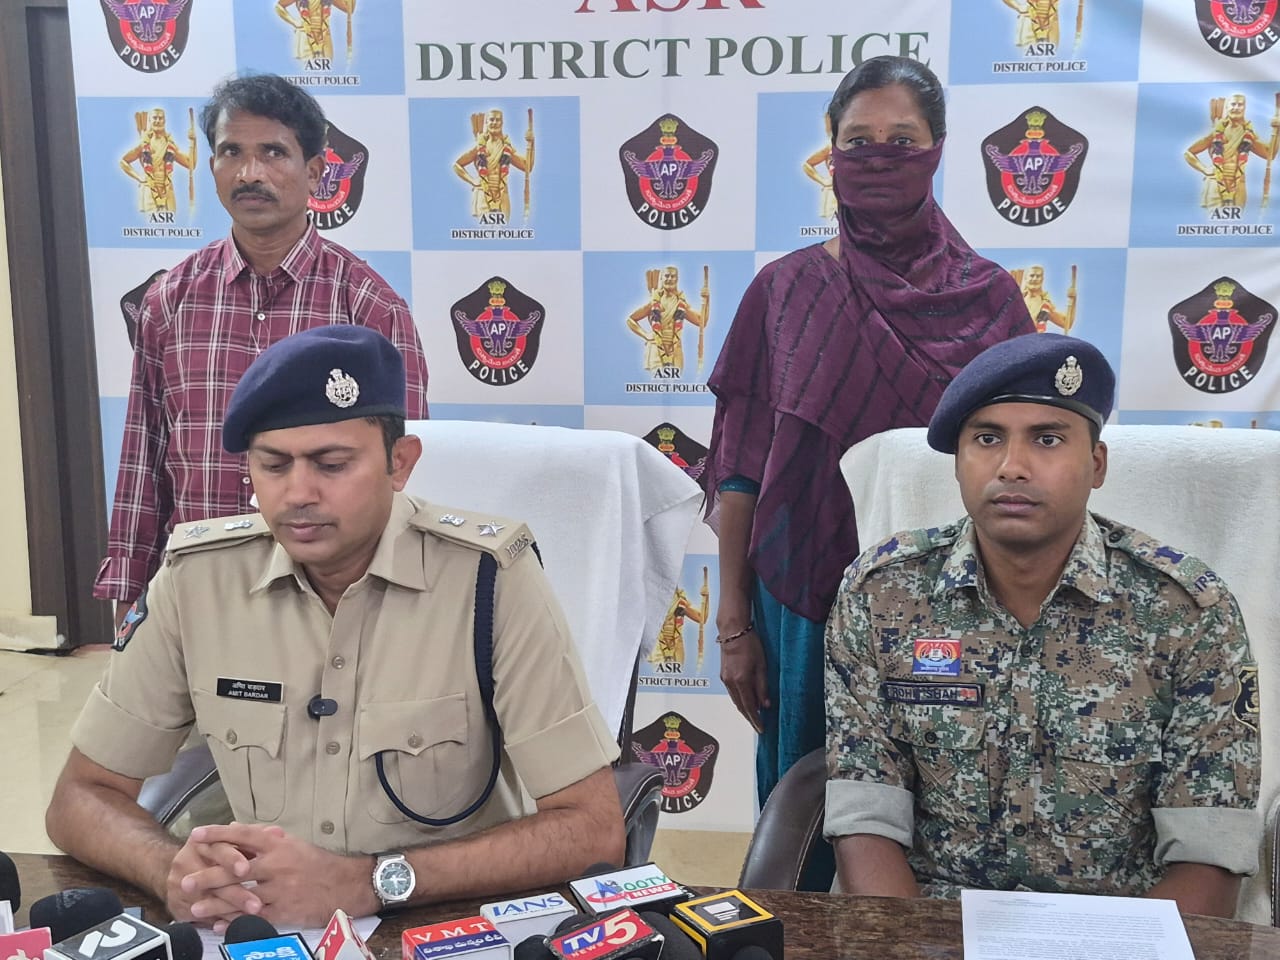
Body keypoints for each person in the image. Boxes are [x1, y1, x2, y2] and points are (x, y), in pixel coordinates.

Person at [47, 325, 625, 929]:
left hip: (439, 925)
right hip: (261, 926)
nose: (299, 493)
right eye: (273, 465)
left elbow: (592, 828)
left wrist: (369, 881)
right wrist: (169, 868)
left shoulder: (488, 579)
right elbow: (79, 796)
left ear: (400, 464)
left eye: (332, 464)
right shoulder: (198, 579)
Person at [824, 334, 1260, 916]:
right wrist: (913, 947)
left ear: (1096, 464)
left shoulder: (1186, 611)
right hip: (933, 922)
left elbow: (1208, 851)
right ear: (958, 462)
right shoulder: (881, 595)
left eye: (1047, 439)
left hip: (1119, 931)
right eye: (987, 439)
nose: (1012, 467)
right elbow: (865, 817)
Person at [704, 56, 1032, 816]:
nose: (879, 157)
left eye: (901, 140)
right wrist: (733, 625)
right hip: (802, 605)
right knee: (810, 812)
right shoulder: (784, 291)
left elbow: (1020, 462)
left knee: (946, 806)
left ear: (937, 150)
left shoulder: (991, 301)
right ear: (831, 150)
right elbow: (741, 473)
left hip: (954, 604)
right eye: (858, 141)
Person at [94, 74, 429, 626]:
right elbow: (143, 456)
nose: (250, 173)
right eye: (232, 152)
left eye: (273, 152)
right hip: (198, 586)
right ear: (211, 167)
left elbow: (402, 476)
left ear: (314, 172)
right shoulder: (170, 300)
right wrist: (131, 591)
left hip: (330, 600)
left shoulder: (368, 307)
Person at [1184, 92, 1279, 209]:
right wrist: (1204, 169)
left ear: (1244, 108)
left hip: (1239, 183)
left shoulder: (1248, 133)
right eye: (1233, 104)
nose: (1236, 108)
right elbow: (1188, 153)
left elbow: (1269, 154)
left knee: (1236, 218)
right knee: (1215, 219)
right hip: (1216, 181)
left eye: (1240, 105)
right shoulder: (1216, 132)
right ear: (1227, 107)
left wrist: (1278, 131)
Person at [453, 109, 533, 223]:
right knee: (486, 229)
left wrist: (532, 143)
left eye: (497, 120)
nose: (494, 123)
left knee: (501, 229)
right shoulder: (479, 147)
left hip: (502, 193)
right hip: (483, 192)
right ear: (486, 123)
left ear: (502, 123)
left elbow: (527, 166)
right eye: (491, 120)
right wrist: (472, 180)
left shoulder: (507, 147)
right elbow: (457, 165)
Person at [626, 266, 708, 375]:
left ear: (677, 279)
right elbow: (630, 319)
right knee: (658, 381)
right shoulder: (653, 302)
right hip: (656, 347)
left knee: (674, 381)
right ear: (661, 278)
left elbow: (701, 321)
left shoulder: (681, 303)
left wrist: (707, 299)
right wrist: (645, 335)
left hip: (675, 348)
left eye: (673, 276)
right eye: (667, 276)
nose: (669, 279)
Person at [119, 107, 196, 214]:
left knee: (170, 222)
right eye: (155, 118)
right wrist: (139, 177)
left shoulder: (170, 145)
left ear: (165, 121)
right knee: (151, 222)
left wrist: (194, 142)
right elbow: (123, 161)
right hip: (150, 189)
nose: (158, 121)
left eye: (160, 118)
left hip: (167, 190)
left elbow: (191, 164)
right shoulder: (143, 144)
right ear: (150, 120)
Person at [275, 0, 354, 62]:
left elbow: (349, 9)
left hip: (324, 34)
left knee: (326, 69)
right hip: (305, 34)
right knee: (306, 69)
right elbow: (278, 6)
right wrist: (294, 22)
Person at [1019, 265, 1071, 333]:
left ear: (1042, 279)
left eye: (1038, 276)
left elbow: (1066, 323)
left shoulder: (1045, 305)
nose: (1035, 279)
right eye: (1032, 275)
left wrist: (1073, 299)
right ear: (1025, 279)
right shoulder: (1017, 302)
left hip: (1035, 338)